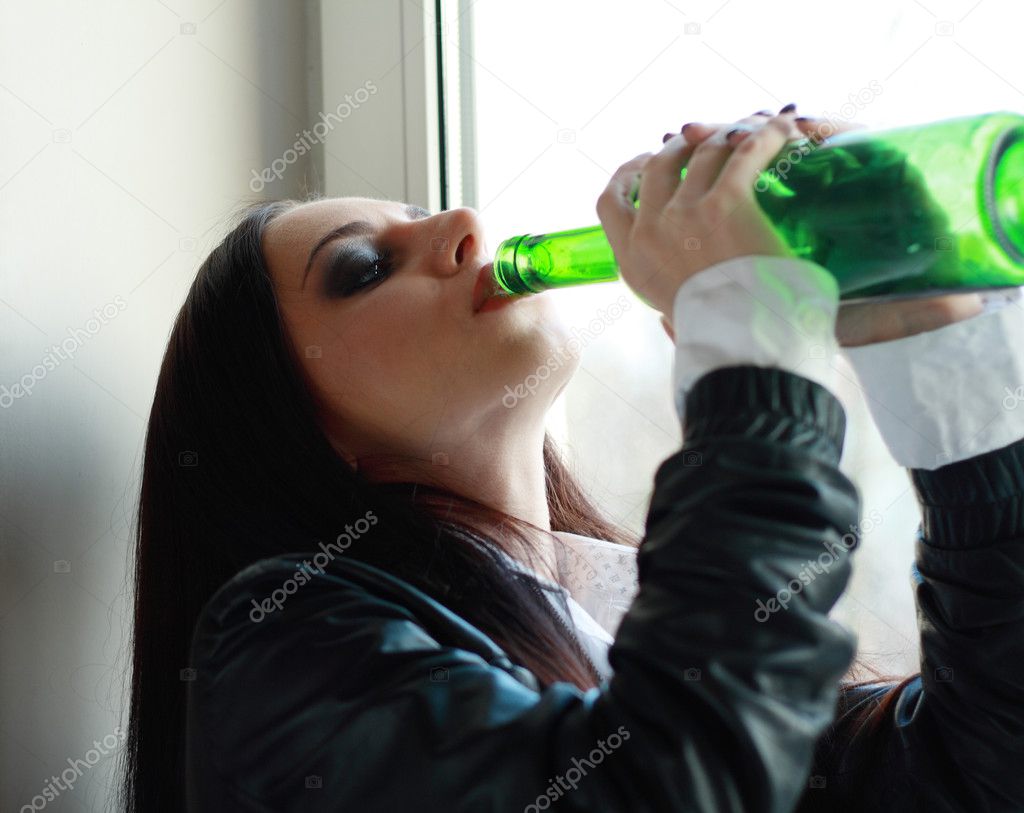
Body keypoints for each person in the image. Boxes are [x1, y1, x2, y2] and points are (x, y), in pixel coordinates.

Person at [118, 107, 1024, 812]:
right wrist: (748, 345)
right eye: (364, 268)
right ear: (298, 434)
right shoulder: (275, 654)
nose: (466, 223)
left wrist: (925, 342)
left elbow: (979, 777)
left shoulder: (624, 616)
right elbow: (678, 786)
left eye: (426, 215)